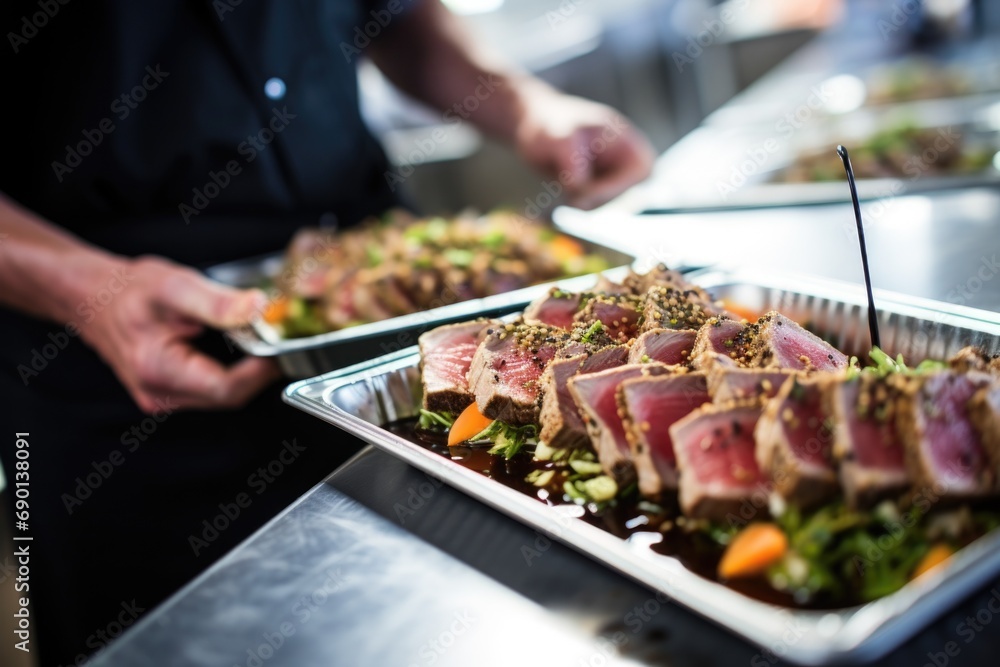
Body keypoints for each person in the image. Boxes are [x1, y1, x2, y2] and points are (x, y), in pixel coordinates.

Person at [0, 1, 653, 664]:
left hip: (390, 314)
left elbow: (396, 16)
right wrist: (83, 288)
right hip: (113, 378)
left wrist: (524, 105)